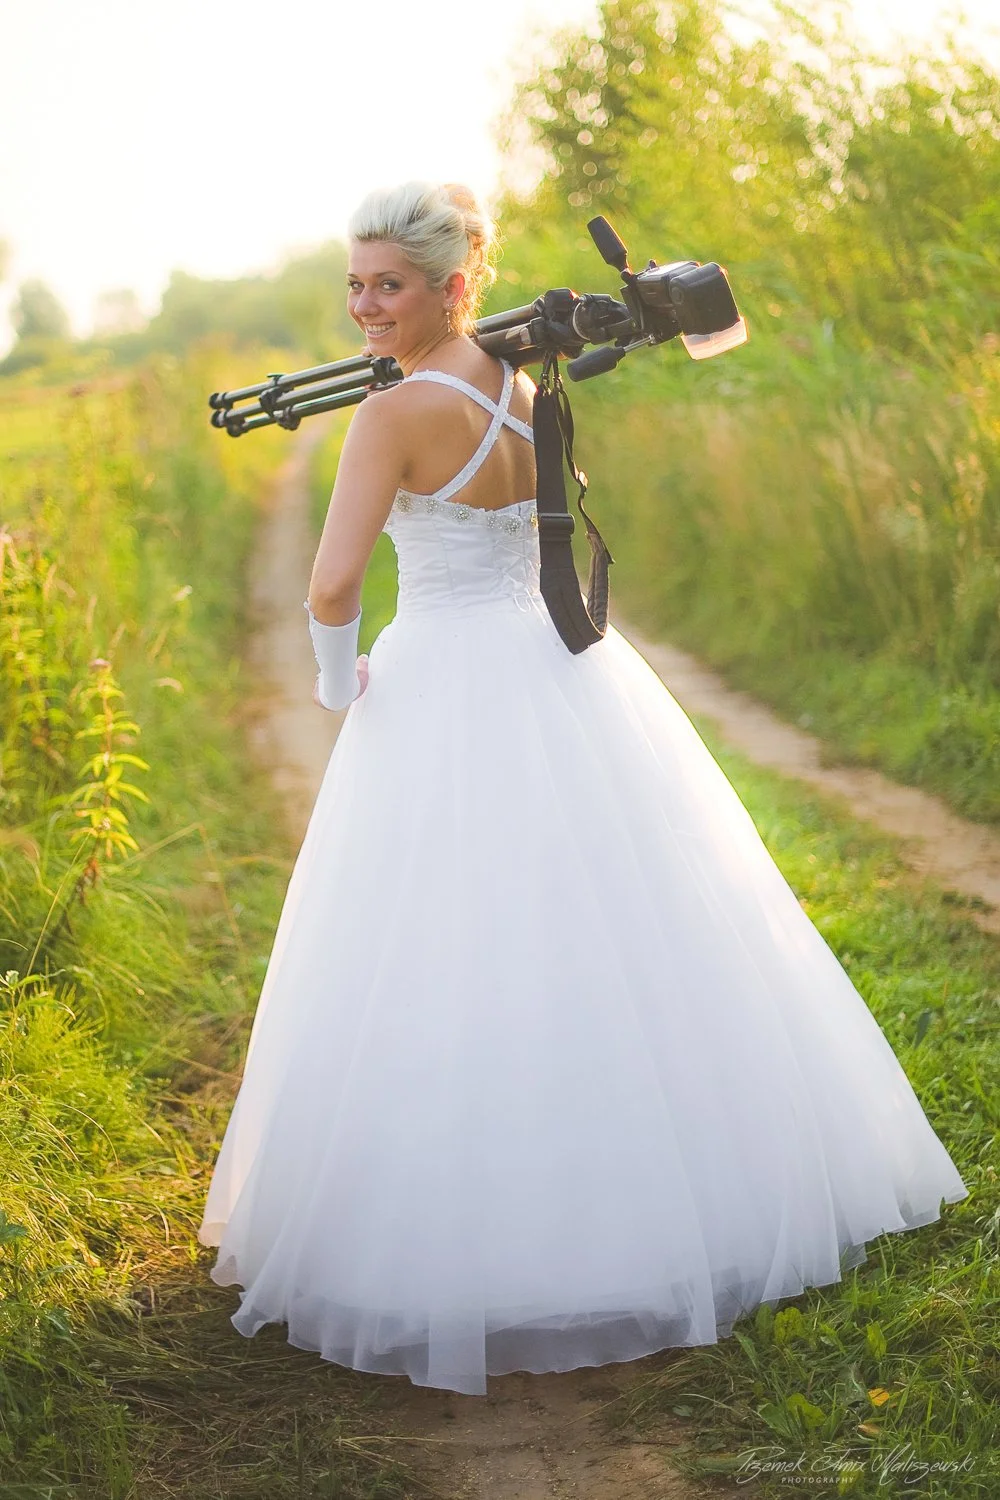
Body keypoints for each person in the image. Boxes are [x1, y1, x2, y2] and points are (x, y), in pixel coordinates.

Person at [197, 180, 968, 1398]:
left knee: (447, 952)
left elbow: (335, 584)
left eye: (386, 285)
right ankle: (678, 1203)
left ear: (454, 286)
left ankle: (487, 1237)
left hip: (445, 680)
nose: (362, 307)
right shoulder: (522, 389)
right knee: (612, 933)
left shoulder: (393, 418)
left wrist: (339, 690)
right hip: (563, 673)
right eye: (353, 284)